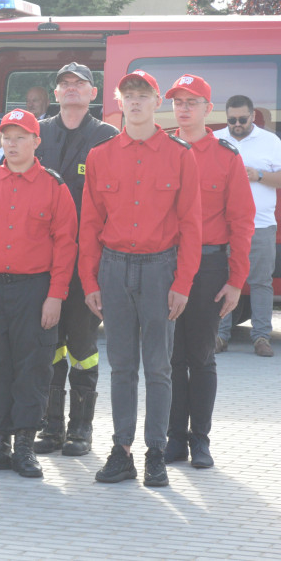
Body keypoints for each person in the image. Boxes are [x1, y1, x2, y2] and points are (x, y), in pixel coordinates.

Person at [80, 70, 201, 487]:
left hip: (159, 269)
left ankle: (155, 454)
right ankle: (122, 451)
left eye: (143, 95)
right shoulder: (100, 155)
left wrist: (182, 282)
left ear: (156, 102)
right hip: (113, 269)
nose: (135, 101)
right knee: (121, 367)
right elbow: (90, 222)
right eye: (128, 94)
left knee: (159, 367)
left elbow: (191, 224)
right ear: (118, 101)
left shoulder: (180, 154)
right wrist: (89, 281)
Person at [0, 108, 77, 479]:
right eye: (7, 137)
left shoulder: (54, 187)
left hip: (34, 290)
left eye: (20, 137)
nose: (11, 144)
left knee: (32, 366)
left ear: (37, 142)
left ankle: (24, 445)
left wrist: (55, 295)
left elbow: (66, 244)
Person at [166, 75, 254, 468]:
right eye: (177, 101)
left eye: (192, 101)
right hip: (163, 263)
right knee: (168, 359)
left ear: (207, 108)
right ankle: (173, 441)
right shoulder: (160, 149)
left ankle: (199, 440)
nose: (183, 108)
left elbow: (242, 221)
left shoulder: (226, 155)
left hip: (207, 265)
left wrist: (236, 281)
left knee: (200, 357)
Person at [32, 62, 119, 458]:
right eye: (64, 83)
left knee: (81, 344)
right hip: (42, 260)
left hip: (87, 262)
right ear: (56, 93)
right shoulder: (38, 132)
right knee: (48, 343)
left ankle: (80, 429)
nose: (71, 89)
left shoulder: (106, 138)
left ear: (92, 93)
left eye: (78, 84)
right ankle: (50, 428)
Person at [215, 94, 281, 357]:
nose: (237, 124)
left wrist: (259, 175)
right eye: (232, 120)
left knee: (261, 282)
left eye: (242, 119)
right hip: (224, 226)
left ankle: (261, 337)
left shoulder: (270, 141)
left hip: (261, 225)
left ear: (253, 116)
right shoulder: (217, 140)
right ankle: (220, 336)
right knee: (223, 280)